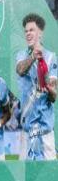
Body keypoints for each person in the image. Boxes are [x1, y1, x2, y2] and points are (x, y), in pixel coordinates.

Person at [15, 13, 57, 160]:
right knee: (26, 173)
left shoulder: (51, 57)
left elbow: (53, 96)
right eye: (26, 31)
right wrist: (33, 56)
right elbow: (20, 70)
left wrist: (48, 88)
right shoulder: (21, 55)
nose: (28, 33)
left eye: (31, 30)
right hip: (26, 130)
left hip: (45, 130)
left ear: (40, 33)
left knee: (48, 172)